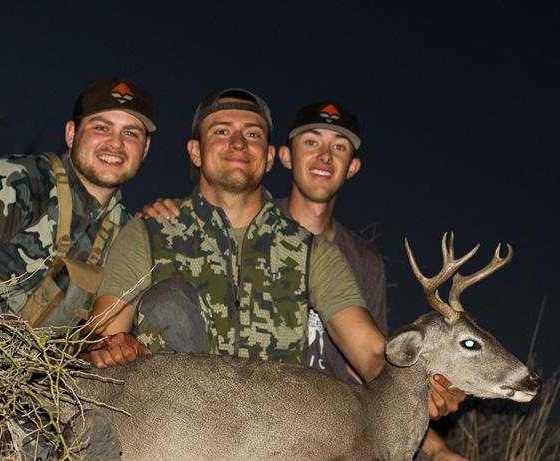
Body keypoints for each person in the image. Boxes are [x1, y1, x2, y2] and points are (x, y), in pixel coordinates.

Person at [139, 98, 467, 459]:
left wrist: (433, 438)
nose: (325, 158)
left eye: (338, 147)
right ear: (283, 156)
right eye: (311, 143)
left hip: (336, 418)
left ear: (353, 166)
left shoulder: (364, 261)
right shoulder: (249, 226)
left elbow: (371, 364)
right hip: (254, 409)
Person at [87, 88, 387, 385]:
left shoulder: (311, 251)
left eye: (253, 134)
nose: (238, 143)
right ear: (196, 152)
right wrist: (111, 347)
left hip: (275, 426)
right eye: (221, 131)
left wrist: (412, 385)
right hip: (177, 422)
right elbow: (104, 335)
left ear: (269, 157)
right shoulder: (148, 233)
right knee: (169, 302)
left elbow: (370, 352)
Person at [0, 77, 155, 328]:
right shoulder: (16, 181)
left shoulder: (126, 230)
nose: (116, 143)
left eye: (130, 133)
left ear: (145, 149)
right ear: (71, 134)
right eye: (101, 127)